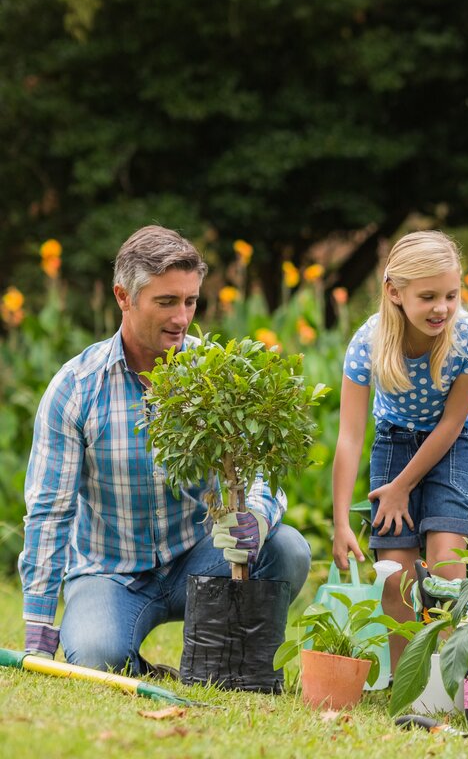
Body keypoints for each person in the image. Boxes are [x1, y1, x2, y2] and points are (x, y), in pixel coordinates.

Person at [19, 226, 311, 673]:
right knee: (98, 657)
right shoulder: (75, 388)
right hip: (110, 572)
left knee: (287, 549)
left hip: (202, 557)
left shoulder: (216, 375)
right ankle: (143, 666)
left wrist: (256, 514)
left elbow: (257, 475)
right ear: (123, 297)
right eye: (166, 302)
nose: (182, 318)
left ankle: (226, 658)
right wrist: (38, 635)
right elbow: (48, 513)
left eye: (191, 301)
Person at [331, 230, 468, 666]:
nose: (442, 308)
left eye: (451, 295)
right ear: (394, 292)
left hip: (453, 445)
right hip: (394, 442)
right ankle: (410, 681)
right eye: (428, 297)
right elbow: (350, 436)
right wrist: (341, 520)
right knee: (395, 575)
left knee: (445, 558)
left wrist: (403, 486)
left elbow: (452, 424)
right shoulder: (368, 343)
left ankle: (449, 675)